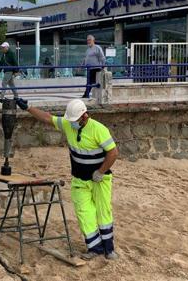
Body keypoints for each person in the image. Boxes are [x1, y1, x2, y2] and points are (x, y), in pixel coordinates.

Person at [15, 98, 119, 260]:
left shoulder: (99, 129)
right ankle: (95, 248)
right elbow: (47, 118)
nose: (72, 124)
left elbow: (113, 153)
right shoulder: (68, 123)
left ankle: (109, 249)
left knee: (103, 212)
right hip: (79, 180)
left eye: (75, 121)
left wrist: (100, 172)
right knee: (84, 213)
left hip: (100, 179)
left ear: (84, 117)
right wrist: (28, 107)